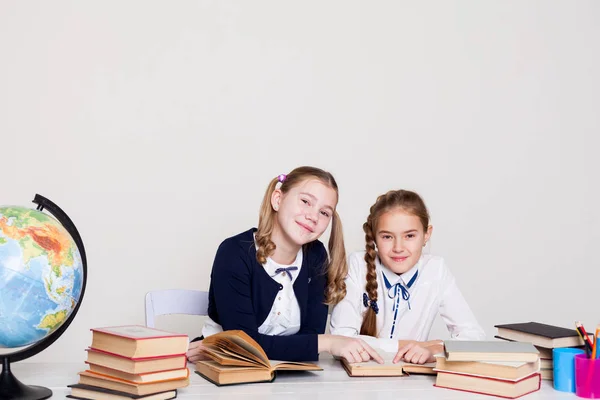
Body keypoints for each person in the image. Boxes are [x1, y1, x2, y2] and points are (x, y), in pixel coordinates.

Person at [187, 166, 383, 364]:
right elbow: (242, 345)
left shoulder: (316, 256)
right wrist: (328, 342)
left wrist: (315, 343)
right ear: (277, 199)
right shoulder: (233, 253)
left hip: (287, 374)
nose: (313, 216)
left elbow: (310, 338)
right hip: (227, 368)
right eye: (305, 202)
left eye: (324, 212)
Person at [330, 189, 485, 364]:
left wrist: (434, 349)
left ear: (427, 234)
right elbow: (340, 340)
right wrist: (405, 345)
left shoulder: (436, 270)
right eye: (387, 236)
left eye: (409, 236)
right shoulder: (358, 265)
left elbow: (474, 337)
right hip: (356, 381)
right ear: (374, 236)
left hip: (412, 381)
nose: (398, 247)